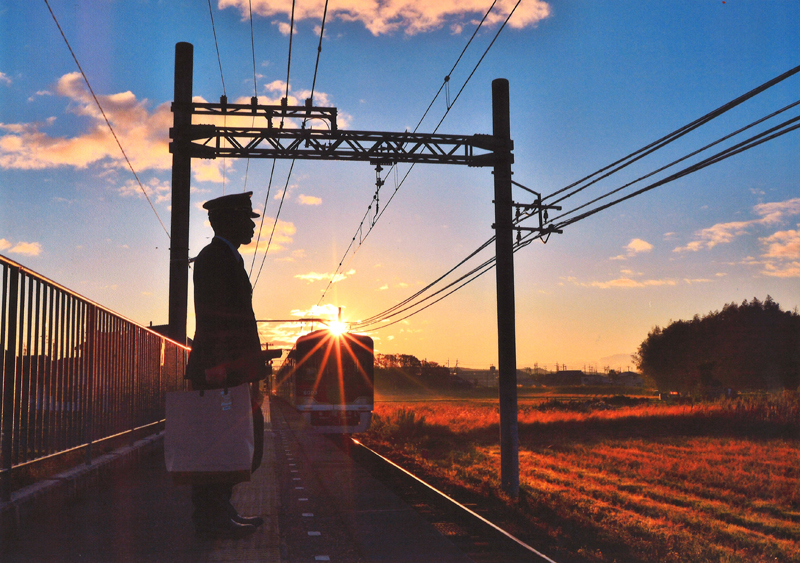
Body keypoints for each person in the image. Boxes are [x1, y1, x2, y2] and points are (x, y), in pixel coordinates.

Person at [184, 191, 267, 539]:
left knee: (232, 444)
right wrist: (219, 364)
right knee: (220, 445)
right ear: (228, 221)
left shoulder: (226, 258)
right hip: (220, 369)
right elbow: (215, 316)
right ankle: (212, 516)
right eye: (246, 219)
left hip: (232, 367)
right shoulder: (214, 258)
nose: (251, 226)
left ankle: (220, 510)